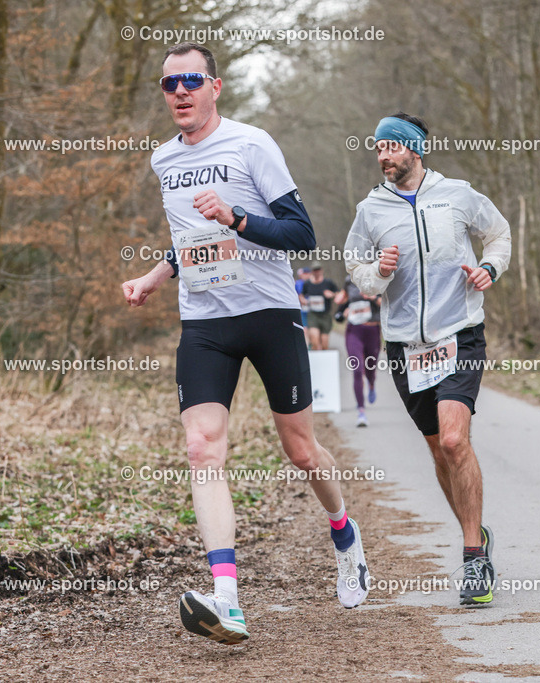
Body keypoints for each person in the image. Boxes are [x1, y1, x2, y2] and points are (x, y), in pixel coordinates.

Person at [121, 42, 369, 645]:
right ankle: (226, 601)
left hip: (269, 313)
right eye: (168, 84)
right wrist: (154, 277)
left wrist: (235, 218)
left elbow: (302, 236)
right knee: (202, 449)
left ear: (214, 87)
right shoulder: (163, 161)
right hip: (204, 322)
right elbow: (188, 239)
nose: (178, 91)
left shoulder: (252, 144)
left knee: (302, 451)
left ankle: (344, 534)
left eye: (190, 81)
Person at [344, 112, 511, 605]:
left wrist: (488, 268)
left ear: (415, 149)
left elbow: (498, 234)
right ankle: (477, 534)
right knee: (439, 449)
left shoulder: (457, 194)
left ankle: (473, 559)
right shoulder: (370, 210)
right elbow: (357, 269)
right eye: (377, 148)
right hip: (404, 346)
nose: (382, 156)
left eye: (391, 147)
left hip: (460, 334)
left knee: (457, 440)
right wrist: (378, 269)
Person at [334, 277, 381, 427]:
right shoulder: (349, 280)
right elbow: (342, 300)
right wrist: (342, 307)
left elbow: (385, 304)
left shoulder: (376, 276)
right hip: (354, 330)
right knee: (356, 368)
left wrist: (372, 297)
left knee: (370, 368)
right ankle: (361, 411)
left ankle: (371, 384)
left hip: (372, 330)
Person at [299, 262, 338, 350]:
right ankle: (316, 361)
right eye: (315, 270)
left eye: (318, 270)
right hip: (313, 315)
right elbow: (301, 295)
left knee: (324, 344)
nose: (317, 272)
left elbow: (338, 294)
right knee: (315, 341)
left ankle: (324, 361)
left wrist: (331, 294)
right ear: (312, 271)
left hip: (325, 315)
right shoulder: (307, 283)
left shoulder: (328, 283)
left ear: (322, 270)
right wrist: (303, 300)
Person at [294, 266, 312, 345]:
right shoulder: (297, 283)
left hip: (312, 310)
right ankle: (307, 347)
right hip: (302, 310)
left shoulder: (312, 283)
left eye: (307, 273)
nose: (306, 275)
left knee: (313, 329)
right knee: (305, 329)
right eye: (304, 274)